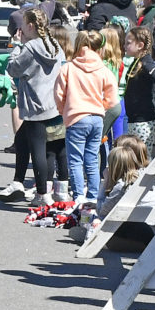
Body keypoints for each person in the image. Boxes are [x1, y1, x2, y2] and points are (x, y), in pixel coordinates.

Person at [4, 9, 65, 207]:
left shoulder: (29, 48)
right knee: (28, 142)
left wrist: (16, 46)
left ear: (30, 26)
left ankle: (42, 193)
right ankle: (19, 182)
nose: (19, 29)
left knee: (39, 150)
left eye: (22, 24)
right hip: (54, 103)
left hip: (35, 106)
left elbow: (13, 68)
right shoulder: (55, 44)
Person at [57, 24, 118, 207]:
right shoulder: (103, 69)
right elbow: (113, 99)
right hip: (97, 117)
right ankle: (93, 196)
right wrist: (102, 107)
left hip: (76, 117)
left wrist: (64, 111)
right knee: (92, 159)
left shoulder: (68, 68)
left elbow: (59, 94)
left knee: (75, 159)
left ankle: (78, 196)